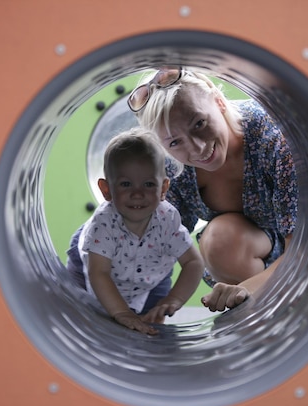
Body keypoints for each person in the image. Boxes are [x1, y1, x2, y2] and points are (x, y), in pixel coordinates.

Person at [127, 66, 298, 313]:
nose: (196, 148)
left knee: (225, 244)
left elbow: (306, 247)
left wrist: (247, 289)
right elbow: (157, 248)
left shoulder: (271, 138)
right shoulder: (172, 169)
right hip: (248, 248)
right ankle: (256, 318)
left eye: (199, 123)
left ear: (219, 102)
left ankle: (276, 310)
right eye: (174, 142)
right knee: (220, 241)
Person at [70, 127, 204, 335]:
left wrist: (173, 300)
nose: (138, 194)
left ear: (163, 189)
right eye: (126, 184)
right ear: (106, 190)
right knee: (82, 311)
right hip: (93, 262)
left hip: (151, 272)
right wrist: (122, 312)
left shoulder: (167, 219)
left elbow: (194, 263)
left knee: (151, 324)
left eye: (149, 184)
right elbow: (99, 273)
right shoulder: (103, 224)